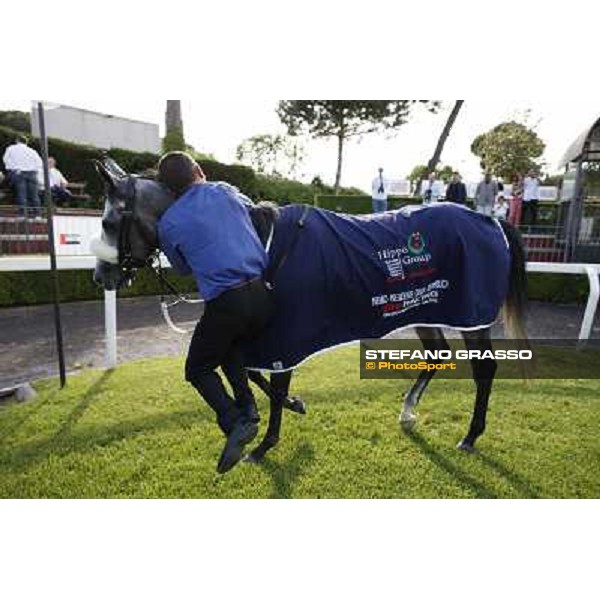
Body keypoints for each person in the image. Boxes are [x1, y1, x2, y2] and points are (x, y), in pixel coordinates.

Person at [156, 151, 273, 474]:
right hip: (263, 295)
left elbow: (180, 269)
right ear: (199, 170)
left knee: (197, 368)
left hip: (227, 303)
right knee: (227, 346)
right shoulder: (225, 190)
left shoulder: (168, 223)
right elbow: (255, 216)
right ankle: (248, 411)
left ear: (168, 190)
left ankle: (233, 419)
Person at [2, 135, 43, 218]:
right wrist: (34, 170)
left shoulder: (11, 148)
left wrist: (14, 169)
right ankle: (38, 215)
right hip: (32, 174)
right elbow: (40, 163)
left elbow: (6, 160)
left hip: (19, 173)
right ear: (26, 142)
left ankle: (23, 215)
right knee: (34, 195)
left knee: (21, 194)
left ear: (17, 140)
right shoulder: (32, 151)